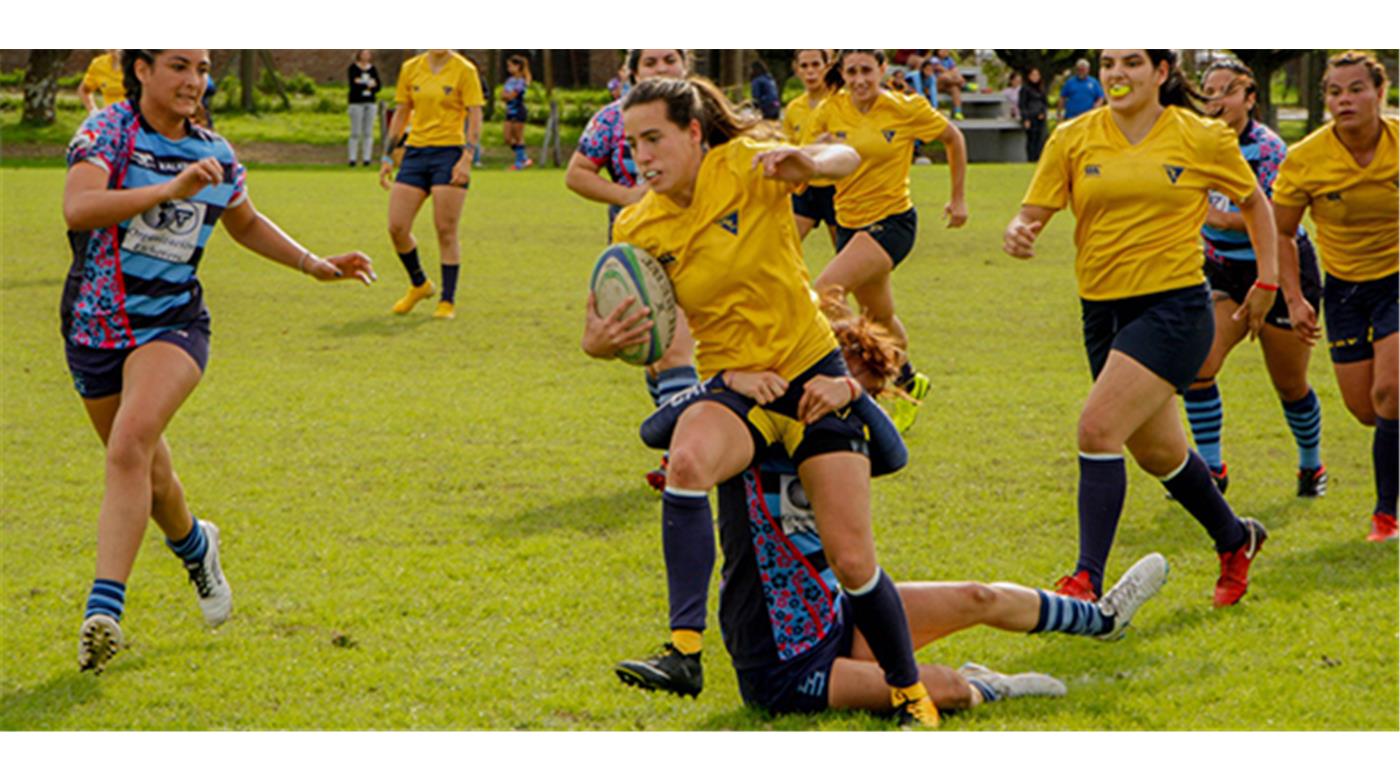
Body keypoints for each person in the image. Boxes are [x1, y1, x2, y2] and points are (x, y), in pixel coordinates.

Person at [582, 76, 943, 727]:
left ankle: (908, 692)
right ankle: (683, 652)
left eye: (655, 138)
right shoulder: (638, 223)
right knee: (687, 464)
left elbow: (846, 157)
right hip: (739, 388)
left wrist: (809, 163)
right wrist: (604, 341)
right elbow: (601, 328)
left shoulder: (750, 164)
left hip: (811, 371)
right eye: (633, 144)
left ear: (694, 133)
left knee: (851, 556)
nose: (643, 156)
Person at [630, 296, 1170, 721]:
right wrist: (723, 382)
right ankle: (991, 683)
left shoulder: (835, 435)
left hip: (838, 617)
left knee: (977, 595)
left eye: (857, 390)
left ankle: (1100, 620)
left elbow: (894, 455)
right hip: (783, 666)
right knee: (946, 689)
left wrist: (854, 399)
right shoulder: (748, 421)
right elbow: (656, 430)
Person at [62, 49, 376, 675]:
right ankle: (197, 546)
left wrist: (313, 263)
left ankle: (104, 611)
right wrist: (170, 189)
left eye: (202, 69)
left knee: (130, 444)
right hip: (94, 327)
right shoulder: (106, 132)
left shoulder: (218, 152)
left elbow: (246, 222)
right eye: (179, 66)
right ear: (141, 69)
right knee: (150, 477)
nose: (194, 81)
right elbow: (79, 208)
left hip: (175, 325)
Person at [1002, 50, 1277, 609]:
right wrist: (1019, 229)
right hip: (1102, 311)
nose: (1116, 73)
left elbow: (1255, 203)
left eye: (1131, 61)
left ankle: (1085, 581)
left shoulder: (1201, 137)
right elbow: (1033, 210)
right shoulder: (1073, 137)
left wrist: (1267, 282)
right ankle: (1235, 538)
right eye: (1107, 62)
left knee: (1097, 428)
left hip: (1174, 308)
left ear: (1161, 72)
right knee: (1158, 453)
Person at [1184, 58, 1328, 499]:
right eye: (1209, 90)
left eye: (1228, 90)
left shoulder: (1266, 148)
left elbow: (1267, 219)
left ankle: (1311, 464)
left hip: (1283, 268)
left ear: (1250, 99)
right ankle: (1211, 472)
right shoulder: (1193, 141)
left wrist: (1213, 217)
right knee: (1199, 369)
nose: (1216, 100)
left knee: (1289, 384)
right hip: (1221, 268)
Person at [807, 49, 969, 433]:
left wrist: (958, 198)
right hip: (848, 225)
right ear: (842, 74)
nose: (860, 79)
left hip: (892, 223)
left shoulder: (906, 108)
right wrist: (819, 149)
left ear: (882, 69)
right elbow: (812, 162)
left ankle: (864, 383)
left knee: (826, 291)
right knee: (878, 317)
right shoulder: (830, 110)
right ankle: (909, 379)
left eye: (867, 70)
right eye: (852, 72)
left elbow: (953, 138)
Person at [1273, 51, 1399, 542]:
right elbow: (1282, 232)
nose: (1344, 100)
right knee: (1368, 409)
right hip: (1344, 288)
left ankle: (1385, 516)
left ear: (1379, 93)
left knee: (1391, 391)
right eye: (1334, 92)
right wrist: (1295, 298)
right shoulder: (1305, 157)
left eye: (1355, 89)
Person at [567, 49, 699, 489]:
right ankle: (679, 446)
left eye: (669, 60)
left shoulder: (704, 114)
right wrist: (630, 197)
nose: (661, 70)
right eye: (650, 63)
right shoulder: (610, 119)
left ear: (686, 65)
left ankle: (680, 458)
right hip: (638, 253)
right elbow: (577, 173)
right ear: (632, 72)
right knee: (656, 356)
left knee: (676, 350)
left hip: (699, 244)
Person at [378, 49, 484, 321]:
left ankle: (447, 300)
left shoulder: (465, 70)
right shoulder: (411, 68)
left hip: (449, 153)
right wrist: (388, 155)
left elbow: (475, 116)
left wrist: (467, 157)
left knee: (445, 229)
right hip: (415, 153)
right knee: (397, 226)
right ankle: (419, 284)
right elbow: (402, 113)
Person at [781, 49, 838, 247]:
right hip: (805, 189)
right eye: (804, 66)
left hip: (837, 189)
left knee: (844, 253)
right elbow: (788, 147)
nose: (810, 72)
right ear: (796, 70)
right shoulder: (793, 108)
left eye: (816, 65)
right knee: (783, 248)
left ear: (828, 66)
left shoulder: (841, 103)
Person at [347, 50, 381, 167]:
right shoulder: (353, 68)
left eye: (368, 54)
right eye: (364, 54)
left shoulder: (373, 69)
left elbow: (378, 86)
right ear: (359, 55)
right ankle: (352, 158)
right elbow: (354, 84)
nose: (366, 56)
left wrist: (365, 84)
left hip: (370, 102)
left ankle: (367, 159)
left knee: (368, 132)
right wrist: (368, 84)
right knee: (355, 132)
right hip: (356, 103)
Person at [502, 54, 534, 171]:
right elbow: (503, 95)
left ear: (518, 66)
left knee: (518, 137)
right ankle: (524, 158)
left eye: (511, 66)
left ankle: (519, 162)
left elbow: (513, 95)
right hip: (509, 111)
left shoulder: (522, 81)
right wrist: (507, 96)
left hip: (518, 110)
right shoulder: (510, 80)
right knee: (507, 138)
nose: (508, 69)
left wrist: (508, 96)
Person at [78, 50, 125, 115]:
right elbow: (84, 90)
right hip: (111, 119)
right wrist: (93, 112)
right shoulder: (99, 64)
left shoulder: (139, 63)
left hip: (137, 119)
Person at [1018, 67, 1048, 162]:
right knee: (1032, 140)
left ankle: (1039, 159)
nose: (1035, 77)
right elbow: (1022, 104)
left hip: (1040, 118)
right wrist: (1026, 118)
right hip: (1030, 117)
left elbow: (1044, 103)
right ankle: (1031, 159)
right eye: (1033, 75)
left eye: (1037, 75)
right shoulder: (1025, 89)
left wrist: (1043, 113)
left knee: (1041, 139)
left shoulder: (1041, 89)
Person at [931, 50, 966, 120]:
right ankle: (964, 85)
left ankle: (958, 112)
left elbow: (955, 71)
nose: (945, 51)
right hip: (936, 85)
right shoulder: (934, 59)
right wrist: (951, 74)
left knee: (955, 89)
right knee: (945, 76)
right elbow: (941, 70)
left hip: (948, 84)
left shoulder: (949, 60)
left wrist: (959, 77)